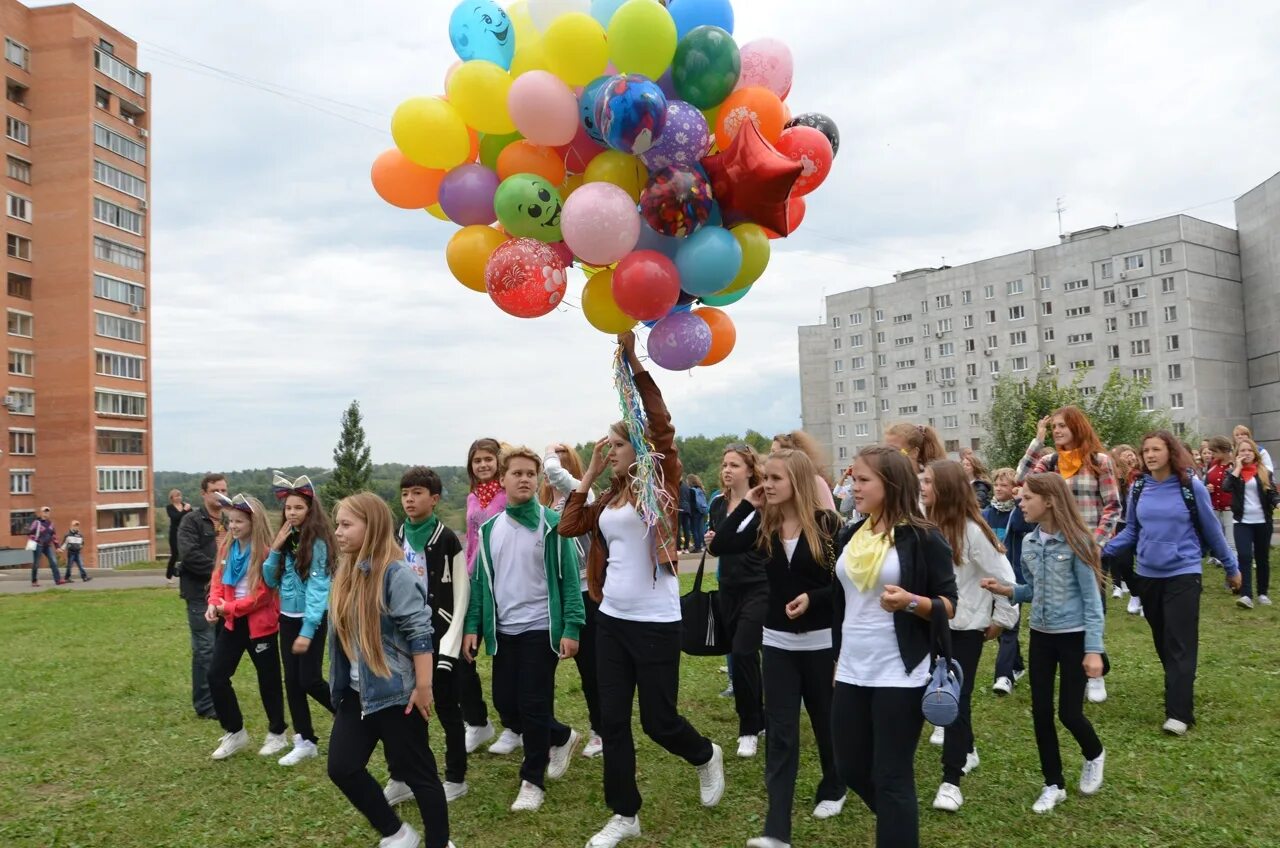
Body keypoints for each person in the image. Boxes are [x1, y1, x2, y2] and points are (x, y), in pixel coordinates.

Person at [560, 332, 725, 848]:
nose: (610, 453)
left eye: (616, 445)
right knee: (613, 721)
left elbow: (661, 425)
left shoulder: (663, 485)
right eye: (606, 448)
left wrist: (634, 363)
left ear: (639, 446)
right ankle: (624, 815)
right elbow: (569, 526)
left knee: (658, 721)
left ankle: (705, 755)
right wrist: (585, 475)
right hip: (610, 620)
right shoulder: (608, 493)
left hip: (655, 622)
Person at [710, 449, 847, 848]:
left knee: (826, 724)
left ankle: (835, 785)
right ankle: (776, 830)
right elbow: (720, 547)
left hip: (822, 644)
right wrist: (747, 505)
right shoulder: (763, 523)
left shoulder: (828, 524)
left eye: (774, 479)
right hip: (778, 645)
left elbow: (841, 586)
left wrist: (812, 599)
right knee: (782, 734)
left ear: (797, 483)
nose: (766, 485)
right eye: (764, 478)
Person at [830, 446, 957, 848]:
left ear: (891, 484)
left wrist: (911, 602)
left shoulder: (922, 536)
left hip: (901, 672)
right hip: (851, 668)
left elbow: (948, 605)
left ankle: (897, 831)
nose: (855, 485)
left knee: (892, 776)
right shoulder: (852, 534)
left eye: (863, 479)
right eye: (853, 478)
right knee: (849, 767)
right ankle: (901, 826)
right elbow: (843, 595)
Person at [327, 492, 454, 848]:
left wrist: (424, 687)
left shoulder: (395, 574)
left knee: (420, 777)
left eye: (346, 525)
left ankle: (440, 843)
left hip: (398, 695)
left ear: (372, 527)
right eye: (337, 524)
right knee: (342, 767)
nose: (338, 532)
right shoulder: (346, 571)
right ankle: (398, 834)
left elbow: (420, 634)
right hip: (358, 695)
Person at [464, 446, 586, 812]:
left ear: (539, 480)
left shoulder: (553, 525)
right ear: (503, 479)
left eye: (531, 474)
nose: (524, 479)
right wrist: (473, 625)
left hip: (540, 629)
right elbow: (483, 584)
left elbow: (569, 581)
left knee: (533, 705)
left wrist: (573, 627)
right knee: (507, 704)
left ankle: (533, 780)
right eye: (516, 473)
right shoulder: (489, 531)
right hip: (503, 633)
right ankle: (561, 736)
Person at [980, 473, 1106, 814]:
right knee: (1040, 713)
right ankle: (1054, 784)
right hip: (1040, 636)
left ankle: (1094, 753)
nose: (1020, 503)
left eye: (1027, 498)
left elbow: (1093, 602)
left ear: (1049, 501)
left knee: (1069, 712)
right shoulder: (1031, 544)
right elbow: (1031, 590)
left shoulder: (1077, 541)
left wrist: (1094, 649)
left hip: (1074, 637)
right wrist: (1007, 590)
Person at [1103, 432, 1240, 735]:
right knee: (1164, 641)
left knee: (1180, 642)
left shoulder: (1191, 487)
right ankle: (1180, 687)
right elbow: (1131, 531)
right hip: (1148, 576)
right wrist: (1101, 550)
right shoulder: (1139, 487)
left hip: (1183, 573)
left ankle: (1179, 713)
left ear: (1171, 452)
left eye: (1156, 449)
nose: (1149, 455)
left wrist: (1232, 567)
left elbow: (1212, 529)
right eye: (1146, 450)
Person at [921, 460, 1018, 813]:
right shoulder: (922, 525)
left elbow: (1004, 576)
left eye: (929, 481)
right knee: (938, 693)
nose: (923, 486)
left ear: (945, 488)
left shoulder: (973, 531)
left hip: (965, 629)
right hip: (929, 624)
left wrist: (1003, 619)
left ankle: (951, 781)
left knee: (952, 701)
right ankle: (968, 750)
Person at [1017, 406, 1121, 704]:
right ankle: (1084, 663)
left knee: (1093, 603)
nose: (1058, 431)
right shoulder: (1051, 462)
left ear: (1078, 427)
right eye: (1054, 428)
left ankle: (1095, 673)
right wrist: (1037, 442)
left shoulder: (1098, 462)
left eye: (1063, 426)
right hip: (1055, 545)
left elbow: (1112, 506)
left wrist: (1095, 544)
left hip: (1087, 546)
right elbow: (1022, 478)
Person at [385, 466, 470, 805]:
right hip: (402, 637)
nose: (409, 499)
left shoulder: (447, 538)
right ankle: (401, 776)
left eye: (417, 493)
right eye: (405, 493)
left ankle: (456, 777)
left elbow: (462, 592)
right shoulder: (395, 535)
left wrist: (451, 643)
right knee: (401, 711)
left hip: (438, 636)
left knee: (448, 709)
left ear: (434, 499)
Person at [205, 493, 288, 760]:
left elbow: (262, 595)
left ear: (253, 522)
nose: (233, 526)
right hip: (231, 623)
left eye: (239, 521)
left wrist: (226, 608)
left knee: (269, 681)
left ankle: (277, 734)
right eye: (230, 521)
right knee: (216, 676)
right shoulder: (227, 547)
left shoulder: (265, 552)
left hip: (260, 626)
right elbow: (217, 578)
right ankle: (235, 731)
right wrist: (213, 603)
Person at [263, 474, 335, 767]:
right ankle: (305, 740)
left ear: (310, 510)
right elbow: (269, 580)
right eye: (288, 508)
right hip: (287, 618)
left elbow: (320, 590)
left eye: (298, 508)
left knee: (309, 679)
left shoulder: (317, 542)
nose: (291, 513)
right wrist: (275, 548)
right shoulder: (285, 537)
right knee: (292, 682)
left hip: (312, 620)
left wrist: (308, 630)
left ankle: (349, 713)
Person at [704, 443, 769, 759]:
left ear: (749, 469)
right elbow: (718, 545)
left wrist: (723, 543)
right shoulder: (718, 503)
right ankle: (759, 718)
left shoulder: (763, 502)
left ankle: (748, 727)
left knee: (744, 652)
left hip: (759, 587)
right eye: (725, 464)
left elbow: (749, 544)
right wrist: (711, 542)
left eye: (735, 465)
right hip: (727, 586)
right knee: (743, 657)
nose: (727, 470)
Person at [542, 442, 603, 758]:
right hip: (552, 597)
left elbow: (555, 473)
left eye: (564, 464)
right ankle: (551, 734)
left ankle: (600, 729)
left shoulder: (586, 495)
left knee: (590, 667)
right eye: (554, 464)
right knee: (541, 670)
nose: (555, 470)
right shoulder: (541, 505)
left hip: (583, 591)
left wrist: (550, 457)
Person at [463, 437, 503, 754]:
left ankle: (515, 725)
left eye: (488, 459)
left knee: (503, 650)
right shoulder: (472, 497)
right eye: (478, 460)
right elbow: (472, 538)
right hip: (472, 577)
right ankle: (476, 721)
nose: (483, 465)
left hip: (501, 579)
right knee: (465, 650)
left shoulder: (507, 494)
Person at [177, 473, 228, 720]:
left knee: (221, 649)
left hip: (225, 597)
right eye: (216, 490)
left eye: (224, 491)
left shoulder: (231, 522)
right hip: (200, 594)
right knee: (205, 649)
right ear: (204, 494)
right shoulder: (191, 521)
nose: (221, 495)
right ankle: (206, 704)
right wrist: (219, 570)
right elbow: (189, 555)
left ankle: (219, 697)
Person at [984, 468, 1028, 694]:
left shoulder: (1021, 513)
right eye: (997, 484)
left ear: (1015, 489)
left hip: (1013, 580)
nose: (999, 488)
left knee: (1009, 626)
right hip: (990, 579)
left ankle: (1003, 676)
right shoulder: (986, 514)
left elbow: (1021, 527)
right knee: (1000, 625)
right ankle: (1018, 665)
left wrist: (1020, 501)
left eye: (1004, 485)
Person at [1222, 438, 1276, 610]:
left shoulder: (1264, 472)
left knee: (1262, 558)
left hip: (1263, 521)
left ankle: (1262, 593)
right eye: (1242, 451)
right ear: (1237, 454)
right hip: (1242, 522)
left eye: (1249, 451)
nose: (1246, 454)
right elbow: (1226, 487)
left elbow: (1272, 493)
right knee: (1244, 556)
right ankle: (1246, 595)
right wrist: (1237, 468)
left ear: (1255, 454)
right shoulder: (1233, 473)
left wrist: (1277, 502)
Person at [772, 430, 839, 511]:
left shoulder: (815, 482)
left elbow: (830, 517)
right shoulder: (777, 484)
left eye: (774, 452)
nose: (770, 456)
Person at [1203, 436, 1237, 567]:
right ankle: (1220, 559)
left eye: (1215, 451)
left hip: (1230, 507)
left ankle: (1234, 568)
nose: (1213, 455)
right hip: (1214, 506)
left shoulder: (1234, 464)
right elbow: (1206, 481)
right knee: (1218, 537)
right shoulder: (1213, 464)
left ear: (1223, 450)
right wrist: (1207, 488)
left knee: (1231, 541)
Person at [28, 505, 62, 586]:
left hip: (47, 546)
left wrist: (57, 547)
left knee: (53, 561)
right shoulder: (37, 522)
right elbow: (30, 533)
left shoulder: (51, 524)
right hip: (38, 545)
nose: (46, 513)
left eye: (47, 511)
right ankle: (34, 581)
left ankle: (58, 580)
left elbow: (54, 536)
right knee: (36, 563)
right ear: (41, 513)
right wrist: (36, 540)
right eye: (44, 511)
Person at [166, 488, 192, 583]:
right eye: (176, 496)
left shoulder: (186, 505)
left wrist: (188, 509)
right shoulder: (169, 507)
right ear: (172, 498)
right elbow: (175, 517)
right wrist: (185, 510)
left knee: (187, 553)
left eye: (179, 496)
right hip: (174, 534)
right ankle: (169, 576)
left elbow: (191, 516)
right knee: (175, 555)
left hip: (185, 533)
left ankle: (187, 573)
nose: (178, 498)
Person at [686, 474, 710, 552]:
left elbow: (694, 502)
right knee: (701, 528)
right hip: (702, 510)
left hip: (696, 511)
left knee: (695, 529)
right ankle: (704, 545)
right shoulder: (701, 489)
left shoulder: (692, 490)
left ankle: (697, 546)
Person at [678, 476, 693, 552]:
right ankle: (686, 547)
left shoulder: (677, 485)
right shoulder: (687, 486)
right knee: (686, 529)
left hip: (679, 508)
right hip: (687, 509)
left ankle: (678, 547)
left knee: (678, 528)